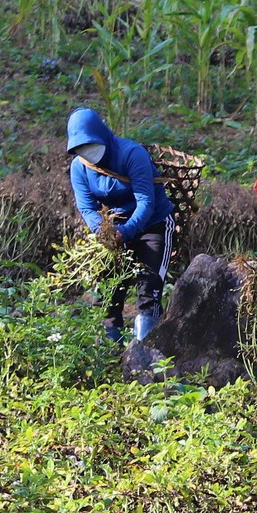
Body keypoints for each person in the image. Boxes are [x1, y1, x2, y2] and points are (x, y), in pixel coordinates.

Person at [67, 106, 175, 343]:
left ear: (102, 136)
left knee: (149, 286)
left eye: (91, 144)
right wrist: (103, 231)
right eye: (81, 148)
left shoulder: (131, 154)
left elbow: (146, 201)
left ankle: (145, 347)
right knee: (109, 286)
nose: (88, 152)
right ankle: (111, 343)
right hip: (115, 228)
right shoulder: (79, 167)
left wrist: (126, 232)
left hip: (152, 224)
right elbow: (87, 207)